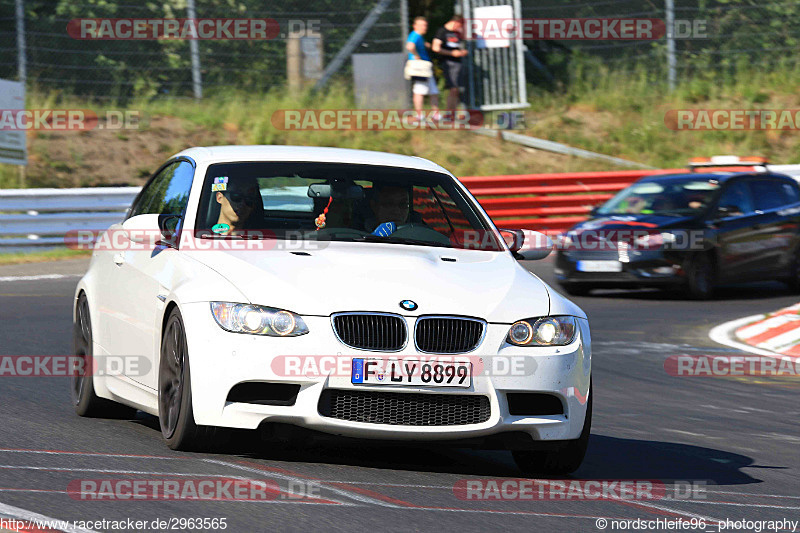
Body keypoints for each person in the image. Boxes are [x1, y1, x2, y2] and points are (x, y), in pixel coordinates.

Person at [406, 16, 439, 118]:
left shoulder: (419, 36)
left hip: (425, 67)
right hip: (420, 67)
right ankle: (419, 114)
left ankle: (436, 114)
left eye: (425, 25)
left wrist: (425, 45)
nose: (424, 27)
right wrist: (416, 55)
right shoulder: (415, 35)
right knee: (420, 90)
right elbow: (410, 46)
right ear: (415, 26)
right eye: (421, 25)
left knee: (433, 90)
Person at [432, 16, 468, 111]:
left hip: (457, 63)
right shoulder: (442, 31)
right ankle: (449, 114)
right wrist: (451, 53)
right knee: (453, 88)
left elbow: (456, 46)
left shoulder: (456, 33)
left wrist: (461, 52)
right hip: (448, 63)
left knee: (456, 90)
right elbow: (435, 48)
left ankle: (453, 114)